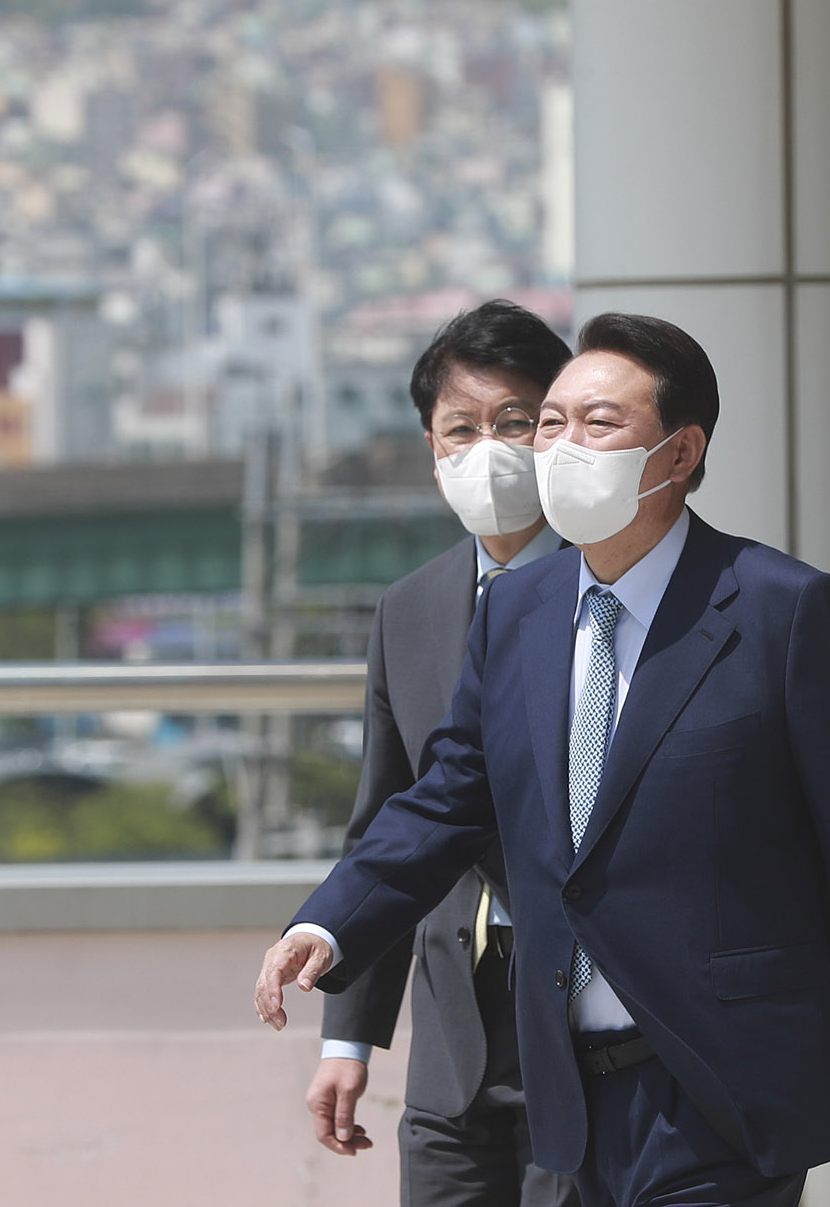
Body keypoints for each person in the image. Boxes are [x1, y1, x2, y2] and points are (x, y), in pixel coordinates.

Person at [256, 313, 830, 1207]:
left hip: (721, 1077)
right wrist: (329, 923)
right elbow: (448, 795)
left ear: (681, 453)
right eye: (553, 424)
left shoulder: (783, 611)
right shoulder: (515, 614)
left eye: (599, 424)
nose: (563, 447)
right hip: (565, 1087)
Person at [308, 300, 579, 1206]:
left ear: (560, 428)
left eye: (514, 422)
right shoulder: (409, 611)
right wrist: (349, 1039)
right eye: (459, 430)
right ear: (431, 451)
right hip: (450, 1034)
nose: (488, 451)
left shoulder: (617, 586)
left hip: (592, 1023)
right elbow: (386, 826)